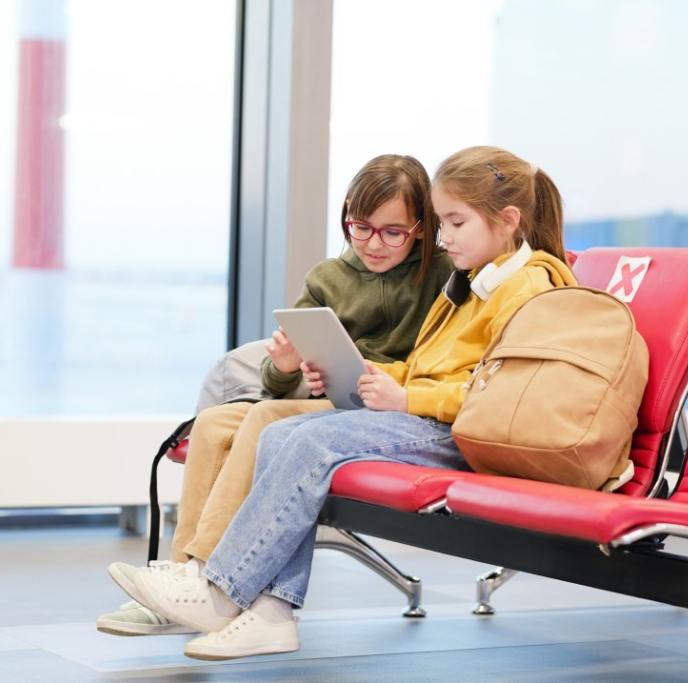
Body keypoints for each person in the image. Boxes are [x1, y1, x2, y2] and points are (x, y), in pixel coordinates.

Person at [124, 146, 578, 659]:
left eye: (454, 221)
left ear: (507, 220)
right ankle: (270, 613)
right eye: (443, 222)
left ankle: (221, 590)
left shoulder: (524, 288)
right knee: (278, 433)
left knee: (309, 440)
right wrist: (385, 376)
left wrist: (406, 395)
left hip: (457, 428)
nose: (446, 235)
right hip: (422, 411)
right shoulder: (478, 281)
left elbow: (495, 393)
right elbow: (438, 363)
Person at [98, 154, 454, 636]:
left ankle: (206, 571)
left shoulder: (441, 278)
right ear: (347, 216)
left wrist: (381, 376)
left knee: (266, 419)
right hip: (324, 401)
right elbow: (276, 383)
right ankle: (181, 572)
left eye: (393, 232)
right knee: (215, 421)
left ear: (420, 228)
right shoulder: (328, 279)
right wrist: (285, 368)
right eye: (361, 227)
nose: (374, 243)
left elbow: (440, 363)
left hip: (386, 409)